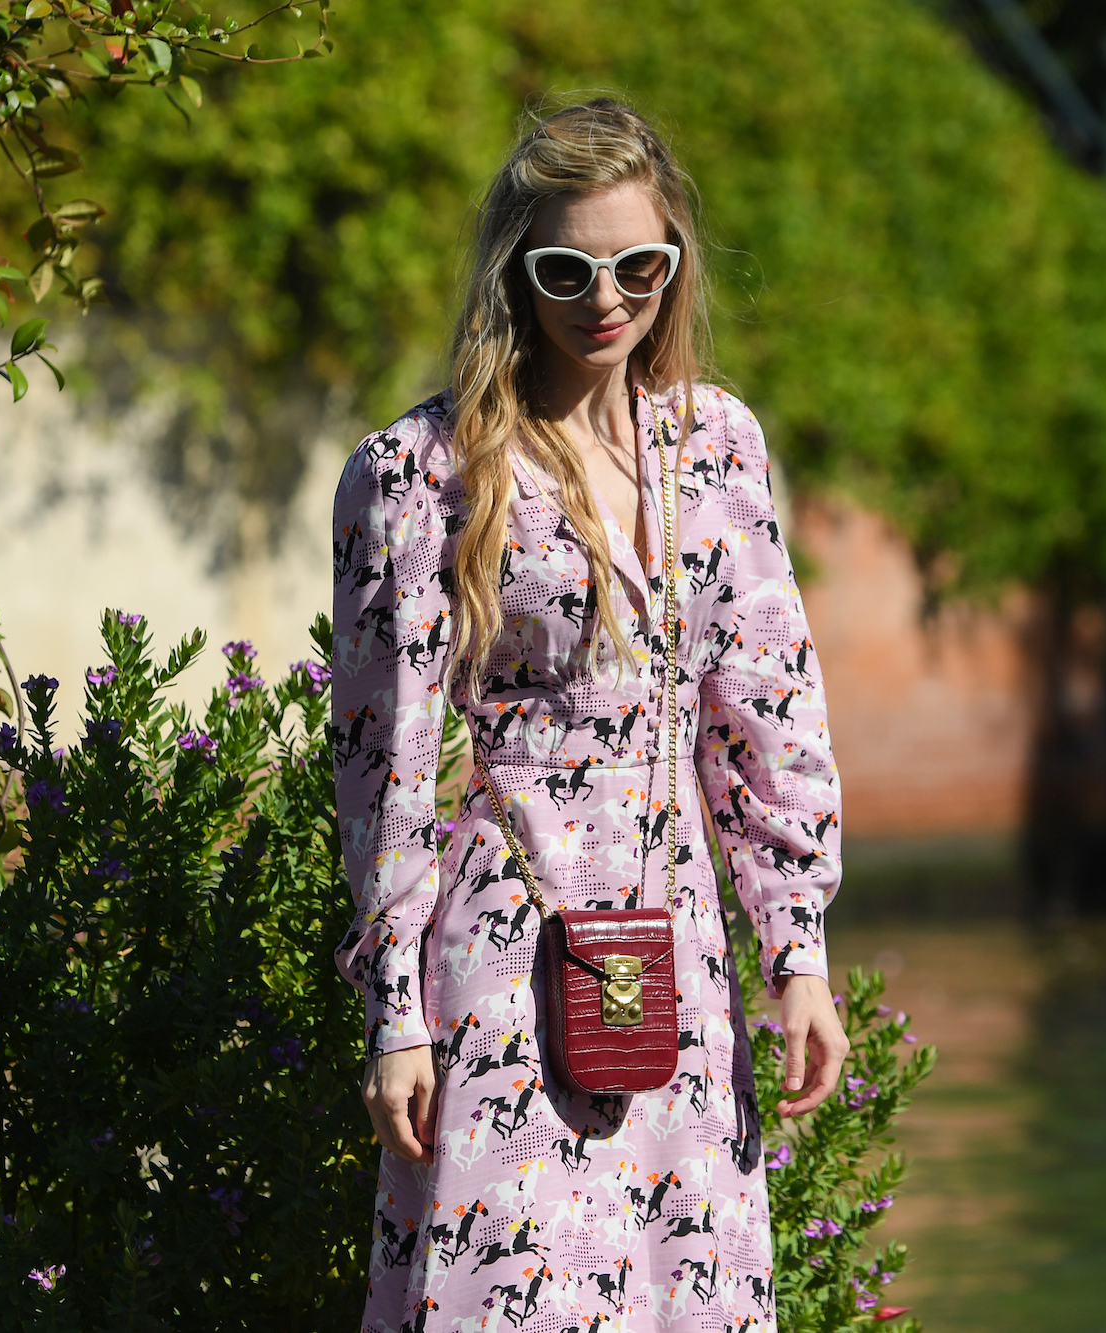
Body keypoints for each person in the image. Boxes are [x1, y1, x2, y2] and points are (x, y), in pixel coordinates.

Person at [330, 99, 849, 1332]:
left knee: (683, 1294)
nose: (604, 297)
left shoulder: (714, 446)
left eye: (638, 266)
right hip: (499, 963)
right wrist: (396, 1012)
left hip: (678, 963)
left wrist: (798, 954)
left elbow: (763, 713)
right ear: (516, 269)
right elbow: (389, 759)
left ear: (673, 261)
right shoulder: (419, 474)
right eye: (565, 267)